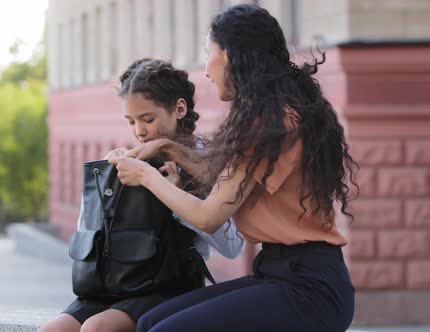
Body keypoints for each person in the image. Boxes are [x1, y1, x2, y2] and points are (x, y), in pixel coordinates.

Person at [109, 4, 358, 332]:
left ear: (230, 56)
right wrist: (167, 146)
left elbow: (208, 217)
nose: (208, 70)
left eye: (208, 52)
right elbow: (218, 175)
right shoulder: (268, 115)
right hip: (278, 271)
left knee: (163, 330)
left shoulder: (270, 124)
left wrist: (146, 175)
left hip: (308, 287)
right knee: (149, 322)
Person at [40, 58, 244, 332]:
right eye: (131, 121)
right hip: (114, 284)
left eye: (148, 119)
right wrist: (108, 190)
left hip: (169, 286)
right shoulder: (132, 160)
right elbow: (88, 233)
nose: (139, 131)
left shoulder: (205, 162)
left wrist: (175, 194)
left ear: (179, 108)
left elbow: (233, 246)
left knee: (97, 328)